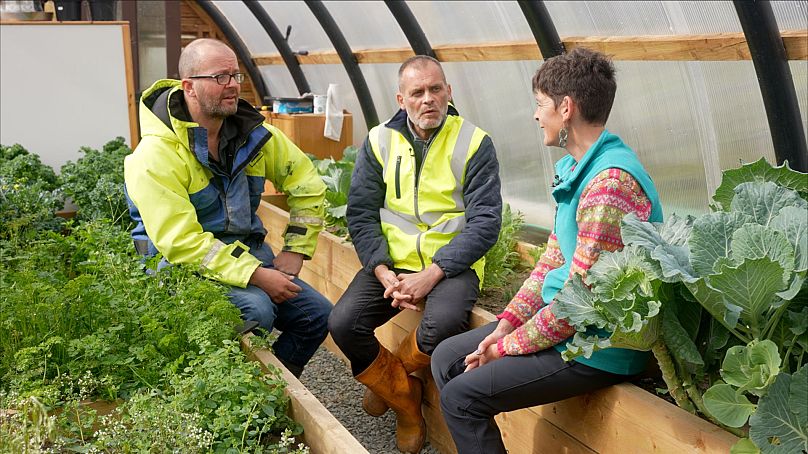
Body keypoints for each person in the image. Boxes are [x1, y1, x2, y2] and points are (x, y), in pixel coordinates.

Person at [431, 47, 664, 454]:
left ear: (566, 107)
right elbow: (552, 261)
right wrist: (506, 324)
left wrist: (505, 349)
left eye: (540, 105)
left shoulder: (609, 184)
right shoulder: (579, 168)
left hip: (600, 346)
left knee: (461, 397)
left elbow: (582, 302)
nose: (536, 116)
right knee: (448, 355)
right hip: (567, 326)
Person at [123, 38, 332, 378]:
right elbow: (182, 244)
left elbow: (307, 185)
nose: (233, 85)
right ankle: (220, 385)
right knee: (257, 310)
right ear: (189, 87)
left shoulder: (255, 136)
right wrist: (257, 275)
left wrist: (296, 250)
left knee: (319, 315)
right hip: (179, 269)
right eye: (221, 77)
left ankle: (270, 390)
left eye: (236, 75)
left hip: (246, 255)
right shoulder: (154, 156)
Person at [328, 55, 503, 453]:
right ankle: (407, 400)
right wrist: (381, 269)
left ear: (449, 92)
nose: (429, 99)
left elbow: (485, 223)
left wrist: (435, 271)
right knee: (342, 322)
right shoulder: (378, 141)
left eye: (436, 89)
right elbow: (361, 212)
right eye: (418, 92)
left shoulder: (474, 142)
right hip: (393, 261)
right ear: (401, 99)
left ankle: (394, 384)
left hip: (452, 264)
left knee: (441, 326)